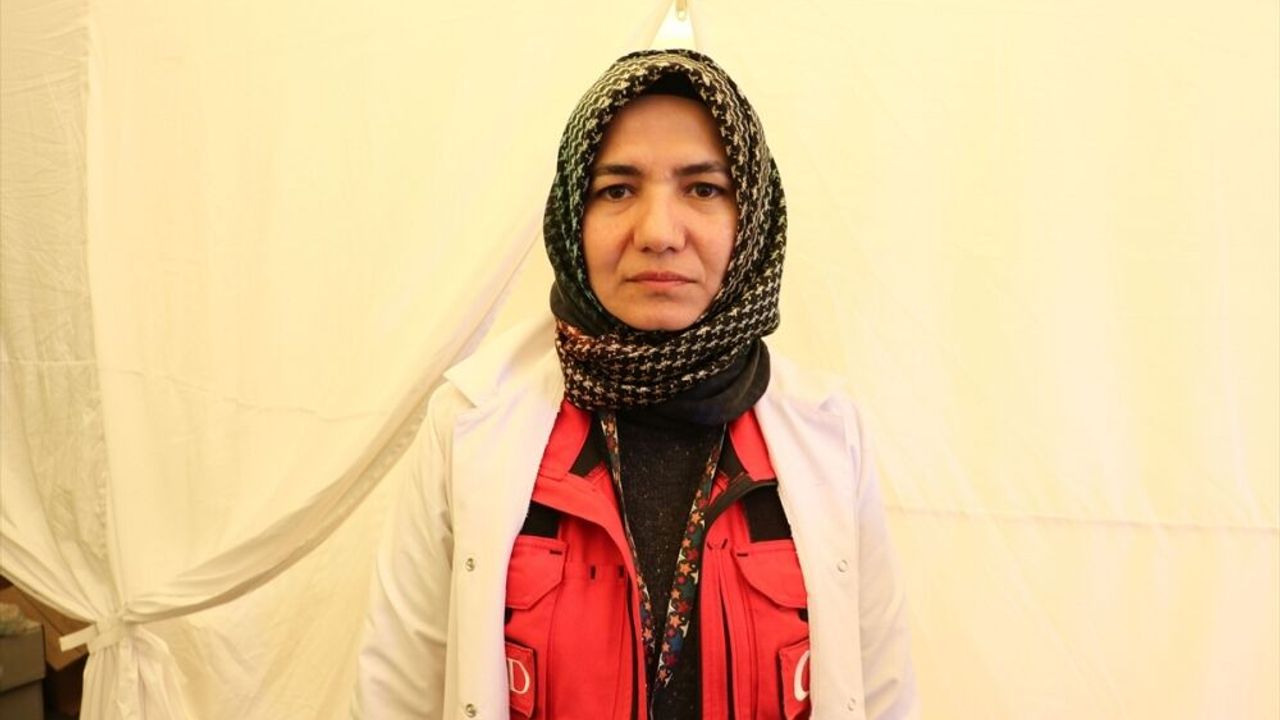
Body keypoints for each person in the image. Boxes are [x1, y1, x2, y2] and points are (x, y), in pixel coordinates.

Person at [353, 49, 917, 720]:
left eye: (703, 189)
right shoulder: (468, 423)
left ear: (752, 219)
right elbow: (397, 696)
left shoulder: (831, 433)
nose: (657, 233)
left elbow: (882, 693)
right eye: (617, 190)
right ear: (572, 215)